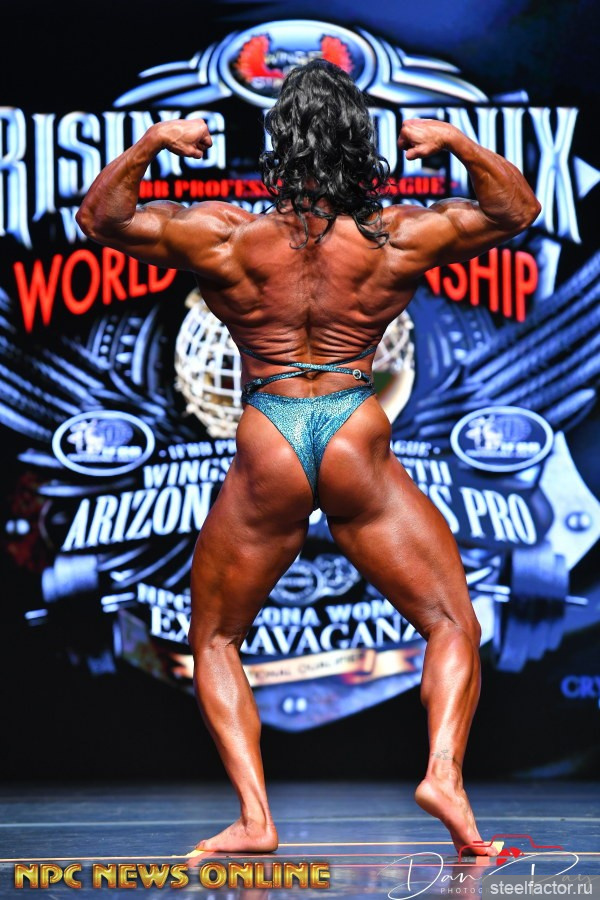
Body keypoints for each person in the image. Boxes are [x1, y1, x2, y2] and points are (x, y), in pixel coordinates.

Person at [76, 59, 540, 857]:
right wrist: (457, 141)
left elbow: (101, 218)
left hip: (271, 431)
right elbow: (517, 209)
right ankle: (443, 776)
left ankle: (256, 818)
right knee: (449, 620)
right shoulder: (395, 236)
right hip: (355, 425)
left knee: (216, 637)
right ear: (360, 141)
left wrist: (153, 142)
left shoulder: (226, 236)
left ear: (277, 144)